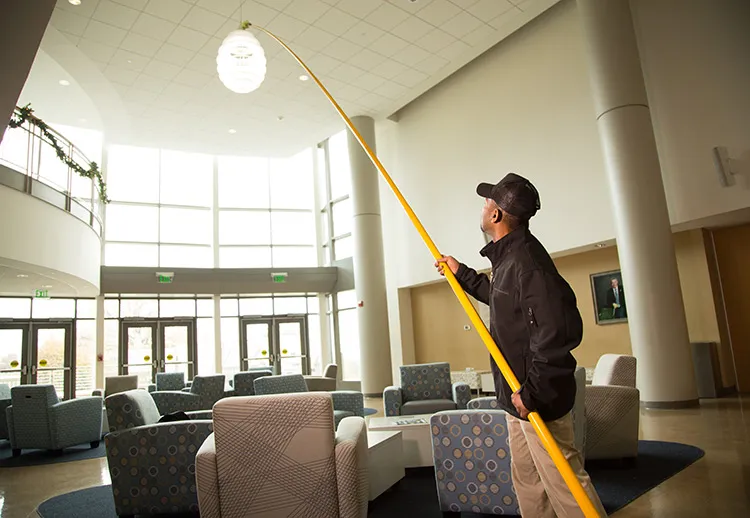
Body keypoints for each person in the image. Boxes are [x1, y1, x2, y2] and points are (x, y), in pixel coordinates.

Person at [435, 173, 607, 518]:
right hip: (517, 399)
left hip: (535, 398)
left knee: (565, 484)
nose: (483, 207)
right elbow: (501, 302)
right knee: (529, 484)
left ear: (496, 215)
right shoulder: (508, 259)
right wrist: (462, 274)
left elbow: (559, 332)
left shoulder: (528, 263)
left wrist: (531, 394)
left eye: (487, 202)